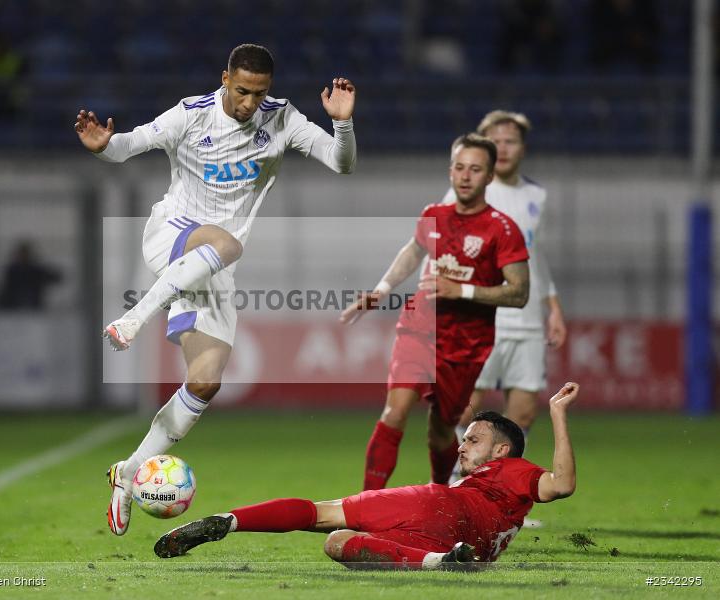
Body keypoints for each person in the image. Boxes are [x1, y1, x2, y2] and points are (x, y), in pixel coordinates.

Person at [75, 44, 357, 536]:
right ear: (225, 78)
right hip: (174, 235)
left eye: (259, 93)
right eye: (242, 90)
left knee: (205, 382)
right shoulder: (191, 114)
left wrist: (343, 123)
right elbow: (130, 144)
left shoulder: (283, 119)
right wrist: (104, 146)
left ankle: (126, 472)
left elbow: (342, 164)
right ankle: (132, 319)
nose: (249, 103)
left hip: (215, 266)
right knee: (226, 242)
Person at [154, 382, 580, 570]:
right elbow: (553, 489)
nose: (463, 445)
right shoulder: (515, 489)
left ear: (502, 450)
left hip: (439, 504)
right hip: (462, 542)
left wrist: (558, 413)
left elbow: (562, 484)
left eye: (474, 439)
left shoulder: (513, 469)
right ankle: (438, 564)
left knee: (326, 515)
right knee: (337, 545)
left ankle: (229, 521)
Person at [340, 133, 529, 488]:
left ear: (489, 177)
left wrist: (463, 290)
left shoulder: (503, 229)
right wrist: (381, 289)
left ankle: (439, 494)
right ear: (450, 171)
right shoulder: (434, 214)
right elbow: (414, 250)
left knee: (441, 431)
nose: (465, 176)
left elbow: (519, 293)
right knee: (394, 412)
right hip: (419, 328)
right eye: (459, 168)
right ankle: (366, 504)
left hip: (466, 344)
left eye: (475, 169)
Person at [446, 111, 567, 490]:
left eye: (510, 140)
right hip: (481, 315)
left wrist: (553, 306)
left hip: (527, 316)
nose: (503, 147)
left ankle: (507, 491)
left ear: (522, 148)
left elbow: (535, 255)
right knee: (468, 407)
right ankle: (457, 483)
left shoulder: (536, 195)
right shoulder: (466, 189)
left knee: (524, 412)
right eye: (495, 140)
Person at [0, 241, 62, 309]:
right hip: (13, 306)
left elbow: (54, 277)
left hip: (33, 305)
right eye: (22, 254)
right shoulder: (12, 270)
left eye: (25, 254)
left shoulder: (35, 270)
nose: (23, 257)